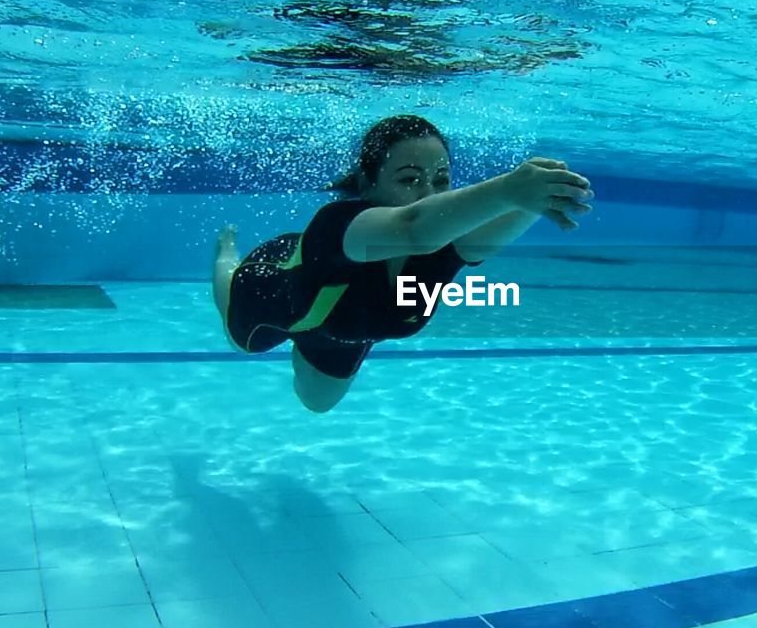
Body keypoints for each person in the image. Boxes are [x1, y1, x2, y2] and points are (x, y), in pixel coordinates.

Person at [211, 114, 594, 413]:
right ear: (368, 182)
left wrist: (545, 196)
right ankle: (226, 253)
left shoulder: (444, 239)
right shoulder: (339, 224)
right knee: (241, 341)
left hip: (341, 330)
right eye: (409, 179)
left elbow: (485, 235)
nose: (428, 194)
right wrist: (509, 187)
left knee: (317, 403)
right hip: (271, 296)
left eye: (441, 180)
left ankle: (305, 346)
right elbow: (411, 228)